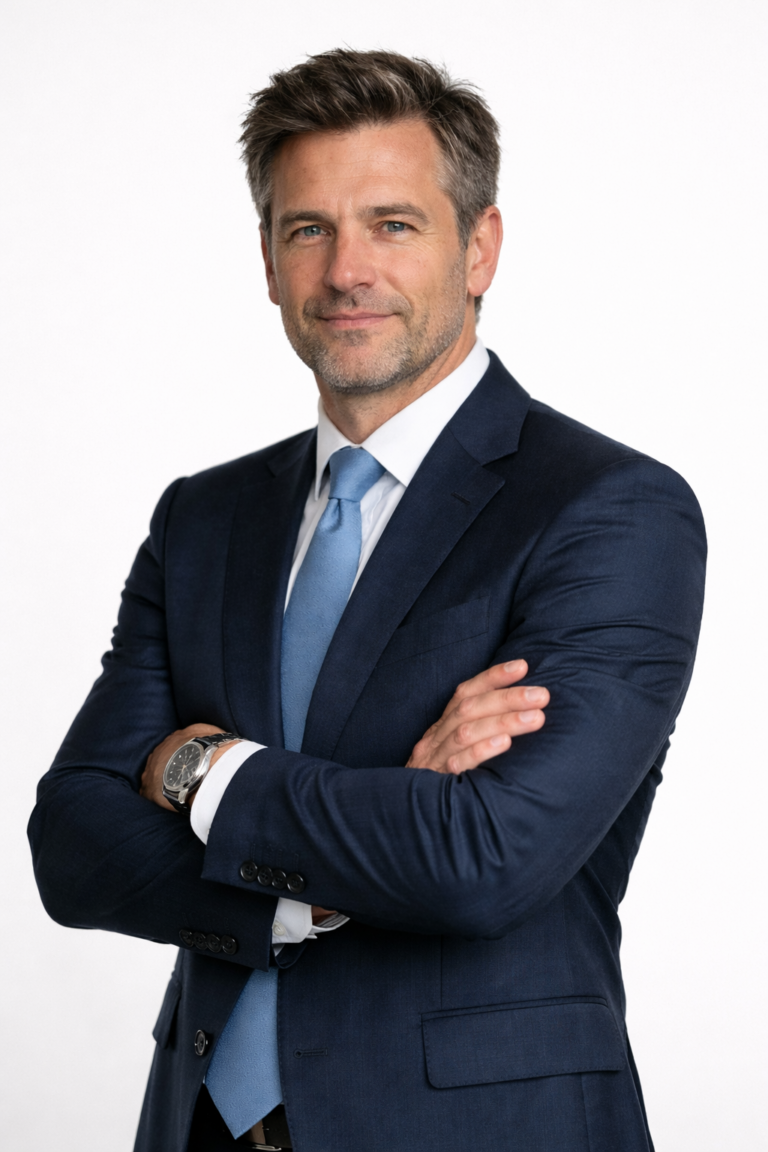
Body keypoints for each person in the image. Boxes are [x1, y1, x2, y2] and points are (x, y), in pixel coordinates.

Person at [28, 49, 706, 1152]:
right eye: (309, 230)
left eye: (393, 224)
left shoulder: (609, 510)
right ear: (267, 259)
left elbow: (484, 859)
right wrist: (346, 857)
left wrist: (201, 768)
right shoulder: (203, 519)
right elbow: (76, 845)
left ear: (479, 247)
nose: (347, 270)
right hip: (200, 1123)